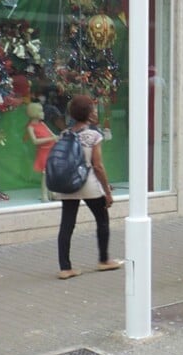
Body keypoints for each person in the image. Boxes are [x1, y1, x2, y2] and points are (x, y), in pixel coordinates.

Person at [54, 95, 122, 280]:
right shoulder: (93, 135)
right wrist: (107, 191)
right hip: (88, 184)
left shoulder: (64, 134)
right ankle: (104, 260)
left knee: (67, 224)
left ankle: (65, 268)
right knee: (102, 219)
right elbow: (98, 166)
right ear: (90, 113)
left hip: (69, 185)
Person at [25, 102, 58, 203]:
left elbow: (53, 135)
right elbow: (35, 141)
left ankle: (52, 193)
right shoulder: (30, 127)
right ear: (34, 113)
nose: (43, 113)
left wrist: (57, 137)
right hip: (43, 152)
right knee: (45, 175)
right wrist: (51, 138)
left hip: (51, 151)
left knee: (52, 174)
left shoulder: (43, 124)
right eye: (41, 111)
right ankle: (44, 195)